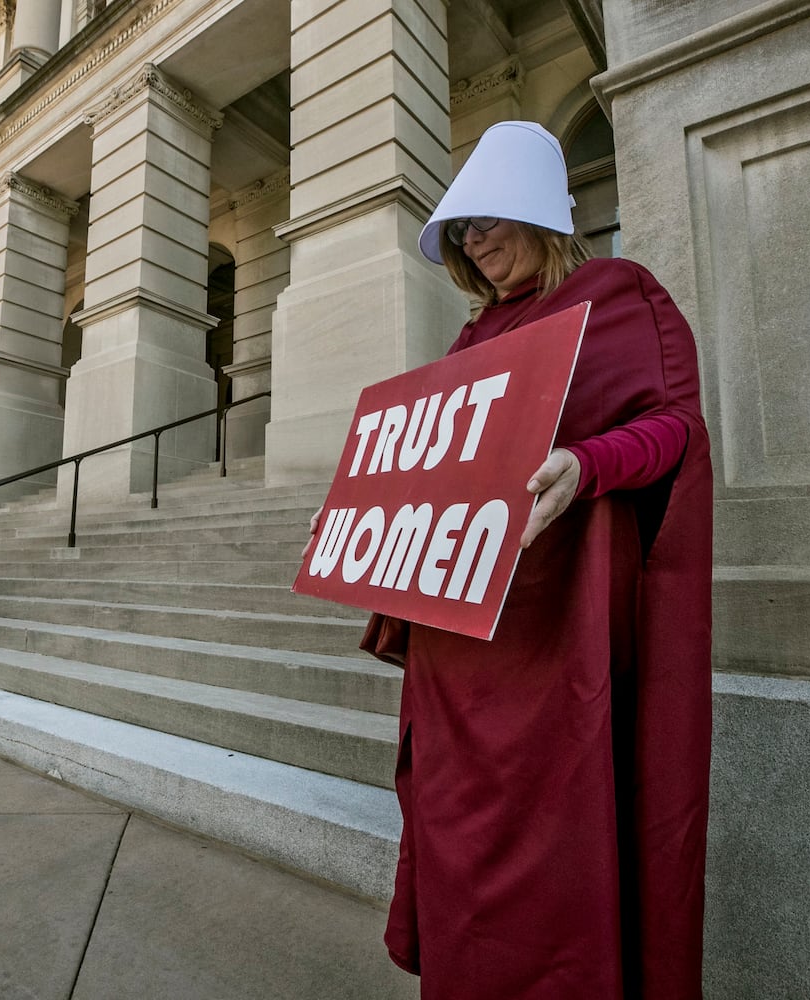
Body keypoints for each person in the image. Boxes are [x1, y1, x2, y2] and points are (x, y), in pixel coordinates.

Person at [308, 121, 713, 999]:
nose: (476, 240)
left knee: (557, 860)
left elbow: (674, 431)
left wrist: (587, 463)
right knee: (459, 854)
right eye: (461, 230)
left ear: (539, 212)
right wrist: (358, 522)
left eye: (488, 217)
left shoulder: (619, 293)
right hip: (460, 652)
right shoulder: (470, 339)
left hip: (559, 650)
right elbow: (432, 470)